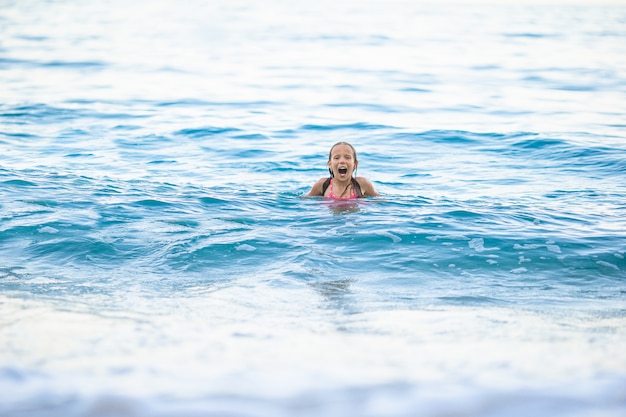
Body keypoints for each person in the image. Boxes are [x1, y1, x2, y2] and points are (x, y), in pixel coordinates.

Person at [307, 142, 378, 199]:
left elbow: (380, 201)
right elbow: (305, 200)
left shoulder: (362, 184)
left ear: (355, 164)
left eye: (347, 157)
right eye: (337, 158)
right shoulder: (322, 185)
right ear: (330, 164)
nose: (342, 161)